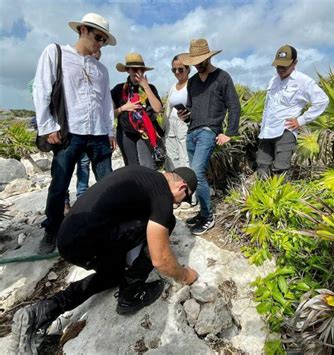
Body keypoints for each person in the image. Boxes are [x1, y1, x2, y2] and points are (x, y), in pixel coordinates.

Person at [10, 166, 199, 354]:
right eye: (184, 200)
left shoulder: (144, 174)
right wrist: (185, 275)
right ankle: (130, 294)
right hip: (85, 242)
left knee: (112, 276)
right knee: (168, 222)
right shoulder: (162, 195)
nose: (177, 205)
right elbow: (161, 260)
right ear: (182, 187)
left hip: (68, 237)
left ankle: (42, 311)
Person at [33, 13, 117, 254]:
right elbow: (42, 89)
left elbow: (105, 103)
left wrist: (110, 130)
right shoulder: (55, 52)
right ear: (83, 30)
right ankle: (52, 230)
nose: (100, 43)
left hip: (99, 134)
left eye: (104, 40)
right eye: (98, 37)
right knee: (59, 184)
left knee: (107, 183)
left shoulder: (101, 68)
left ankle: (108, 224)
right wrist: (48, 126)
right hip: (71, 132)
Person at [179, 38, 241, 235]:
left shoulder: (222, 77)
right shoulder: (193, 82)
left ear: (208, 57)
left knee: (197, 172)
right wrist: (185, 115)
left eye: (200, 61)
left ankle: (208, 217)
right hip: (192, 132)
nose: (197, 65)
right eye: (194, 62)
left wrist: (229, 133)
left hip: (209, 131)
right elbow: (191, 108)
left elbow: (234, 105)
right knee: (195, 176)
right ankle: (202, 212)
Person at [256, 45, 329, 178]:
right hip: (267, 131)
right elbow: (268, 106)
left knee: (281, 169)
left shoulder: (304, 81)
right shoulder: (273, 80)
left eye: (284, 66)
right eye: (278, 66)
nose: (280, 69)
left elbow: (322, 100)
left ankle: (280, 197)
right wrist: (263, 126)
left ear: (295, 63)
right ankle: (262, 196)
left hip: (285, 130)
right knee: (262, 165)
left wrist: (301, 120)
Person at [111, 53, 164, 170]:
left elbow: (158, 109)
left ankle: (149, 187)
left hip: (145, 133)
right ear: (127, 70)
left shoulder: (150, 87)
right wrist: (124, 108)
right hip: (125, 132)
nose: (137, 72)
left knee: (148, 166)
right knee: (131, 167)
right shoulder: (118, 89)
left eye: (141, 70)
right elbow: (109, 114)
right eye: (134, 69)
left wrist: (146, 87)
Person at [64, 48, 101, 212]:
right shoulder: (68, 70)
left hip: (94, 131)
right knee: (65, 169)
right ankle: (68, 203)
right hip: (71, 130)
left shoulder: (100, 74)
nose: (96, 58)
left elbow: (103, 104)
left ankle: (82, 199)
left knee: (84, 165)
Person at [164, 54, 191, 171]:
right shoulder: (172, 87)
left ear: (188, 69)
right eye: (174, 70)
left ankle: (188, 186)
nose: (177, 72)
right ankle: (174, 185)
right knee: (172, 157)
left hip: (184, 124)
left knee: (185, 157)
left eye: (180, 69)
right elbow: (168, 109)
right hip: (170, 124)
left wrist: (190, 115)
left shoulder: (192, 85)